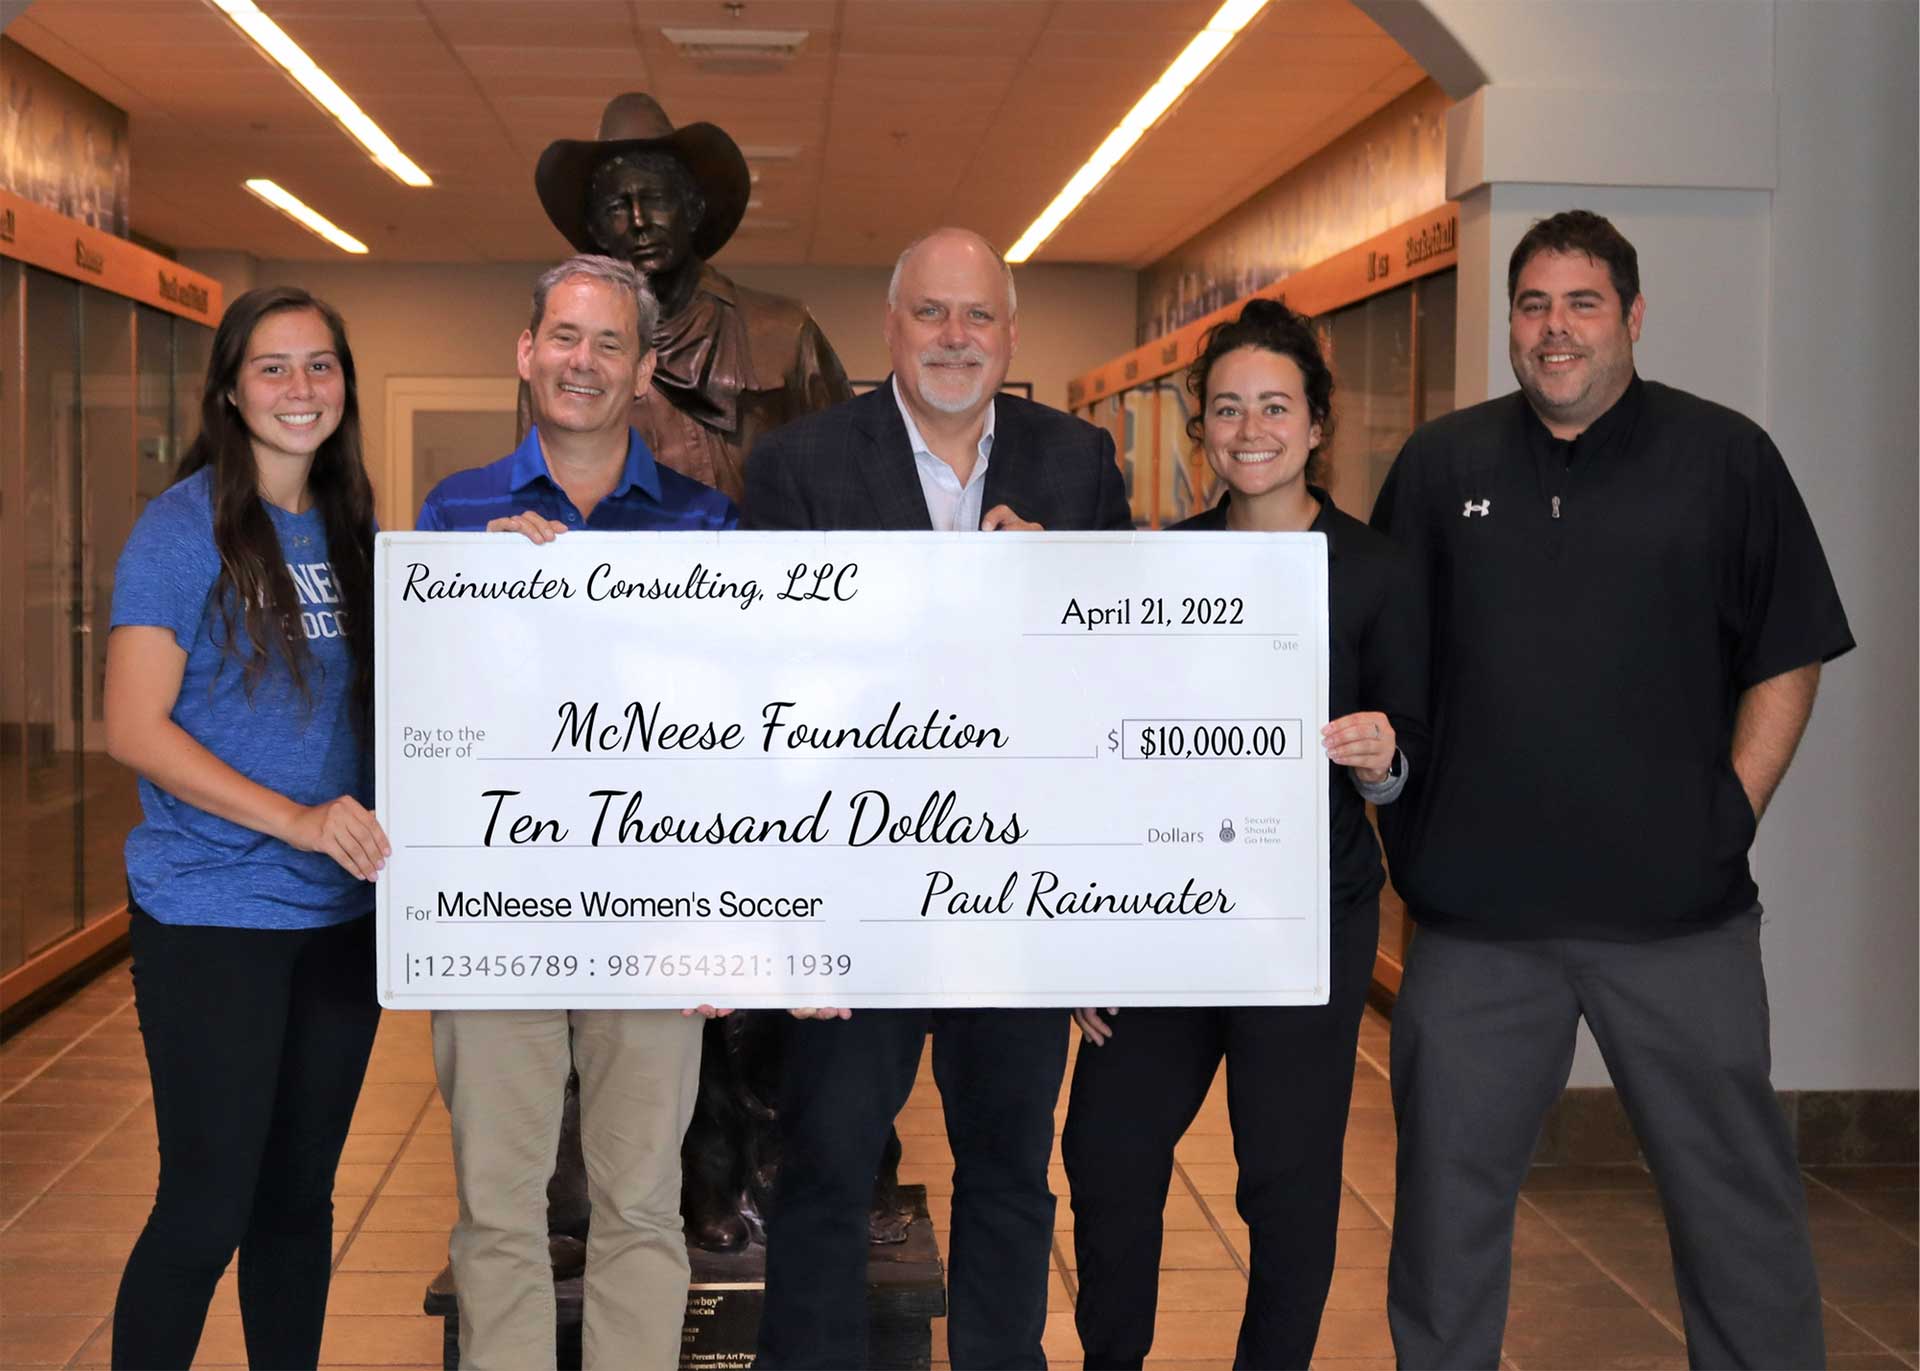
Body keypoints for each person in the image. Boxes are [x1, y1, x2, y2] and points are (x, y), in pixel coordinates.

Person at [1372, 209, 1854, 1369]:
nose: (1555, 329)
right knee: (1442, 1224)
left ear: (1632, 317)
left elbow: (1788, 653)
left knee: (1737, 1213)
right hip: (1478, 929)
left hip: (1677, 924)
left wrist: (1727, 815)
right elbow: (1389, 663)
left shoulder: (1726, 458)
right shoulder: (1442, 468)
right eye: (1533, 306)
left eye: (1582, 303)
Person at [744, 226, 1131, 1369]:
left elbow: (1118, 679)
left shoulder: (1080, 463)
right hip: (852, 883)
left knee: (1010, 1166)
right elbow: (760, 676)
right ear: (889, 329)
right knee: (827, 1161)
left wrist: (1049, 592)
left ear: (1010, 336)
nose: (955, 338)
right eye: (931, 313)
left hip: (1015, 884)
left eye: (977, 317)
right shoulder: (800, 465)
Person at [1061, 299, 1427, 1370]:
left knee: (1286, 1173)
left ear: (1317, 424)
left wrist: (1381, 758)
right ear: (1201, 429)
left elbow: (1414, 760)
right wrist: (1087, 927)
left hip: (1302, 923)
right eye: (1227, 409)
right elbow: (1106, 756)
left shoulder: (1377, 571)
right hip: (1165, 924)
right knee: (1107, 1147)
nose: (1250, 428)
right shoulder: (1155, 566)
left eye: (1275, 406)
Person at [417, 254, 735, 1371]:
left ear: (647, 370)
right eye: (564, 337)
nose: (583, 362)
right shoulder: (455, 515)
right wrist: (475, 601)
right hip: (496, 911)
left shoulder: (707, 526)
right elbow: (424, 718)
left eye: (610, 344)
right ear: (526, 351)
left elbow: (736, 729)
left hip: (652, 914)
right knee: (500, 1212)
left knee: (642, 1206)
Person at [103, 285, 387, 1370]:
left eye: (321, 365)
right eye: (273, 367)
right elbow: (133, 724)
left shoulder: (355, 527)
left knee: (298, 1205)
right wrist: (297, 820)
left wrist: (511, 559)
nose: (300, 389)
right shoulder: (181, 529)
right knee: (206, 1209)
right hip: (211, 911)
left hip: (337, 920)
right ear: (228, 387)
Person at [532, 92, 852, 506]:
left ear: (693, 209)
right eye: (617, 207)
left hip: (765, 568)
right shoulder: (566, 351)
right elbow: (537, 492)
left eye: (656, 201)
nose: (640, 223)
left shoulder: (783, 331)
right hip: (623, 570)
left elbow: (847, 477)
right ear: (596, 230)